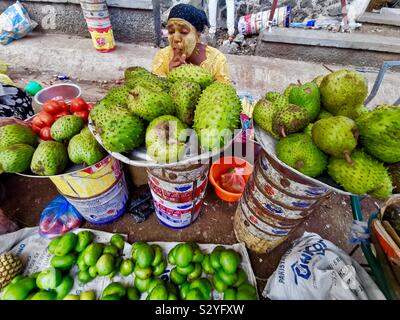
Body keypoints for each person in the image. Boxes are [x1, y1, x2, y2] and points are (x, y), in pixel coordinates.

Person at [152, 3, 231, 84]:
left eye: (184, 32)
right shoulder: (162, 57)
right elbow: (155, 91)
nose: (175, 38)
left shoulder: (217, 60)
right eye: (171, 32)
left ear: (198, 34)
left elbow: (222, 92)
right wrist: (170, 77)